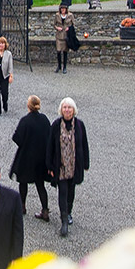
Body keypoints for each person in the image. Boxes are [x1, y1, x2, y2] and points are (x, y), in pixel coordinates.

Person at [46, 97, 90, 237]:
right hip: (61, 166)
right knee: (63, 192)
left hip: (74, 165)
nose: (67, 110)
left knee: (71, 191)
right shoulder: (56, 125)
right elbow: (50, 146)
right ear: (61, 109)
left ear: (73, 110)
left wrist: (86, 164)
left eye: (69, 108)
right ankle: (64, 220)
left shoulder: (80, 125)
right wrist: (49, 166)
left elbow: (84, 144)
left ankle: (69, 212)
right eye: (65, 107)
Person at [10, 96, 51, 221]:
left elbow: (17, 138)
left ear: (28, 106)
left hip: (26, 156)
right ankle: (45, 210)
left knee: (23, 182)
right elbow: (49, 137)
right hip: (41, 157)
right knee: (40, 185)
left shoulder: (25, 121)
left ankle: (22, 206)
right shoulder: (44, 119)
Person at [54, 3, 75, 74]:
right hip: (59, 36)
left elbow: (73, 24)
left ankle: (64, 67)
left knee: (65, 51)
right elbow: (54, 24)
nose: (62, 10)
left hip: (66, 36)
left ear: (66, 9)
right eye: (61, 9)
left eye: (64, 9)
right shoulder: (57, 15)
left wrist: (69, 28)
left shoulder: (70, 15)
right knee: (58, 51)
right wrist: (57, 28)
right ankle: (59, 65)